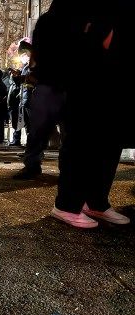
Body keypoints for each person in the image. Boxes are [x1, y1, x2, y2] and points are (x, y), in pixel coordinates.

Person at [51, 0, 130, 228]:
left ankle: (97, 201)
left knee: (110, 137)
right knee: (80, 136)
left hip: (115, 71)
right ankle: (67, 204)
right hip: (84, 71)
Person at [13, 2, 69, 179]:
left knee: (38, 130)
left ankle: (32, 165)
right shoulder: (76, 21)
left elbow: (37, 50)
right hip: (64, 81)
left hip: (47, 81)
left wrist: (34, 71)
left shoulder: (46, 21)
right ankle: (66, 169)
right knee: (66, 132)